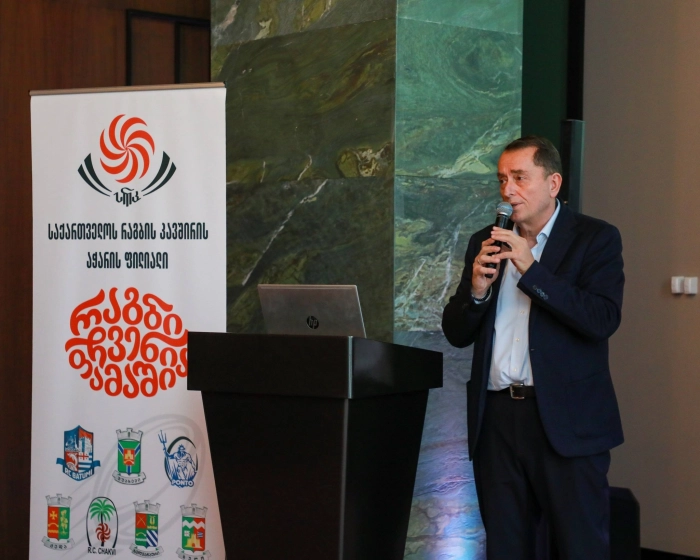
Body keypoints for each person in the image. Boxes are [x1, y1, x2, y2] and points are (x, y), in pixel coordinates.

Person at [442, 136, 624, 559]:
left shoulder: (595, 238)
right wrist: (477, 292)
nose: (508, 190)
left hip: (565, 421)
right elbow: (456, 333)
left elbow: (601, 319)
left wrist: (530, 268)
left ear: (553, 183)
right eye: (502, 179)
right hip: (496, 421)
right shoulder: (485, 241)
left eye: (520, 178)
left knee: (580, 548)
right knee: (506, 548)